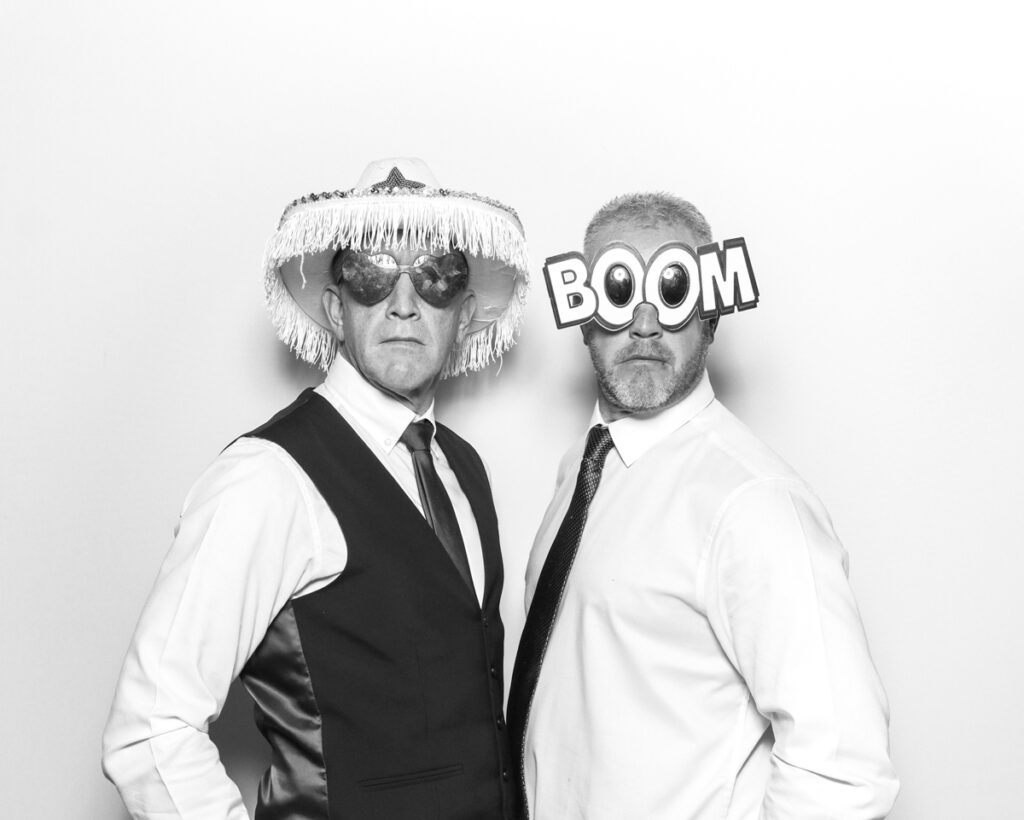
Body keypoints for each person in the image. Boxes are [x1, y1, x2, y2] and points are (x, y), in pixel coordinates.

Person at [102, 158, 530, 820]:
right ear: (334, 307)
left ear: (465, 314)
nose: (404, 303)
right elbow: (149, 729)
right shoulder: (267, 477)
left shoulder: (463, 469)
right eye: (372, 275)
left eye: (436, 277)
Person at [508, 192, 899, 819]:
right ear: (582, 316)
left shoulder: (755, 504)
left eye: (672, 292)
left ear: (711, 316)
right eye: (615, 292)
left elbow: (843, 772)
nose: (642, 324)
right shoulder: (582, 473)